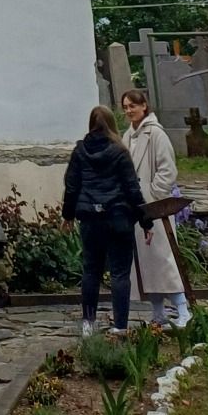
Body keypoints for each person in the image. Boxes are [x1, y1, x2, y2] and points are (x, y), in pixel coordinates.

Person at [61, 105, 152, 337]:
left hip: (90, 218)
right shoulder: (120, 151)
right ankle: (120, 325)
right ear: (112, 124)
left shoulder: (80, 151)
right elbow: (132, 189)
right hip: (118, 216)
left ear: (90, 124)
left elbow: (71, 186)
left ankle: (88, 324)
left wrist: (67, 215)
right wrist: (146, 221)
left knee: (91, 270)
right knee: (120, 273)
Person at [121, 88, 189, 327]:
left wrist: (154, 194)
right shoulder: (127, 137)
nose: (129, 111)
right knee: (145, 263)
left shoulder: (156, 134)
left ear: (144, 106)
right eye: (125, 107)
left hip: (154, 206)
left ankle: (182, 308)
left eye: (133, 106)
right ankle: (158, 311)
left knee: (163, 258)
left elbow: (167, 169)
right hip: (136, 207)